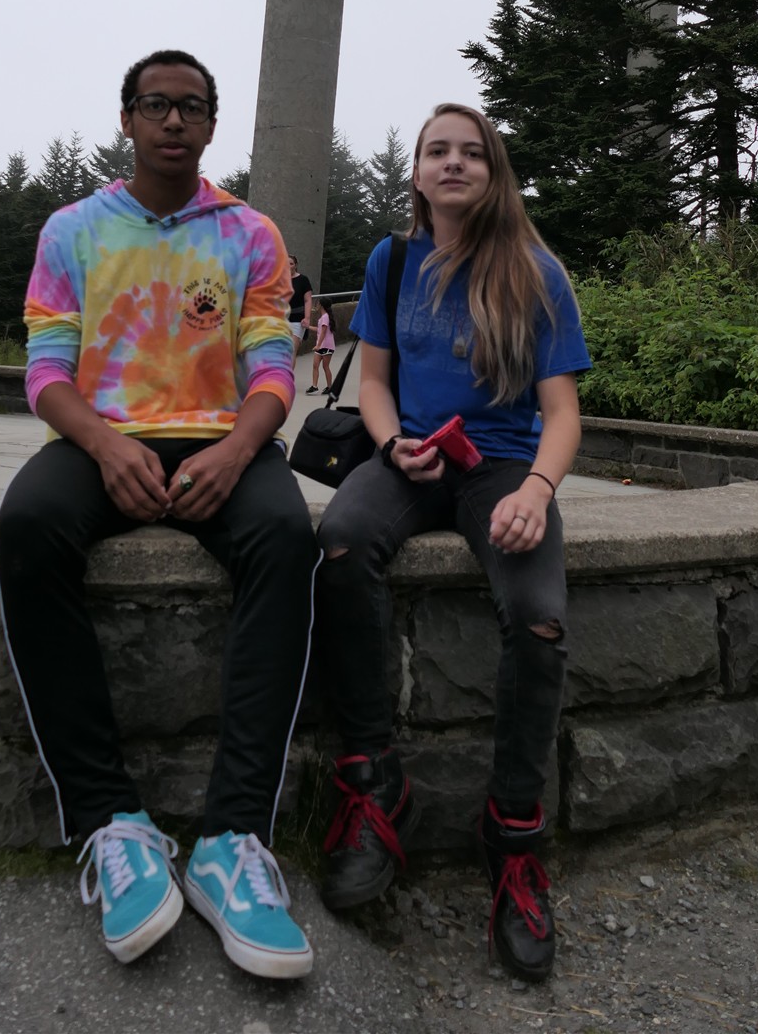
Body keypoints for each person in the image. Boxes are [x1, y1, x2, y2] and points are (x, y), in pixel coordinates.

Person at [0, 49, 318, 980]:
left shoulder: (251, 233)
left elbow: (272, 365)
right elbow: (46, 372)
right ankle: (112, 822)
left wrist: (236, 450)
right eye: (154, 104)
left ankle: (232, 841)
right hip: (100, 440)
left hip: (221, 440)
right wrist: (103, 445)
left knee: (287, 536)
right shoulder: (73, 230)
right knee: (26, 529)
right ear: (127, 118)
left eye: (191, 106)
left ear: (212, 124)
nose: (173, 120)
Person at [314, 102, 590, 984]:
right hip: (410, 458)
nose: (454, 163)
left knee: (538, 617)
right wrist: (392, 442)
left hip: (501, 468)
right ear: (418, 172)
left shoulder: (537, 272)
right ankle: (372, 781)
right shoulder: (391, 261)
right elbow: (375, 384)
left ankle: (513, 834)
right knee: (340, 541)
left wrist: (538, 492)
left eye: (473, 152)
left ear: (494, 171)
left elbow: (561, 413)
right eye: (438, 151)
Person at [306, 296, 336, 394]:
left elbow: (323, 332)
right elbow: (319, 330)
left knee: (325, 366)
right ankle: (314, 386)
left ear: (321, 305)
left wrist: (318, 345)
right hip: (320, 345)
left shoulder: (325, 317)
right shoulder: (323, 317)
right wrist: (308, 326)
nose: (317, 305)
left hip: (326, 345)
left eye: (318, 303)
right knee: (315, 365)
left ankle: (330, 387)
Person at [287, 254, 313, 344]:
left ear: (295, 265)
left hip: (297, 319)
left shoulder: (303, 280)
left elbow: (308, 300)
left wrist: (307, 318)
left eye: (291, 264)